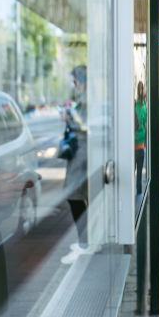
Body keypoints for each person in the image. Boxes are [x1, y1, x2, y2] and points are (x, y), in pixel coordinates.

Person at [61, 65, 100, 264]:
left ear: (82, 81)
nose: (74, 85)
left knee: (75, 196)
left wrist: (69, 118)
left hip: (82, 154)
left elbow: (83, 124)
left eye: (75, 82)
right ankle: (86, 242)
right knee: (80, 197)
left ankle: (85, 244)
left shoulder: (88, 99)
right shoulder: (89, 97)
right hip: (84, 153)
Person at [135, 81, 147, 196]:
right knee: (139, 177)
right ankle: (138, 195)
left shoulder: (134, 106)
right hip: (141, 146)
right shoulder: (144, 107)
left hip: (132, 146)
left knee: (131, 175)